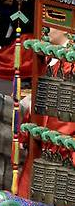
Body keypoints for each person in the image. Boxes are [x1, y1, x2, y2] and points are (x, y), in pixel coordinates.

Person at [17, 28, 75, 197]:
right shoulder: (52, 56)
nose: (46, 30)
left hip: (59, 146)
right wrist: (27, 131)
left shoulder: (70, 64)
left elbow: (66, 118)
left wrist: (53, 143)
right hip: (41, 141)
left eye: (52, 27)